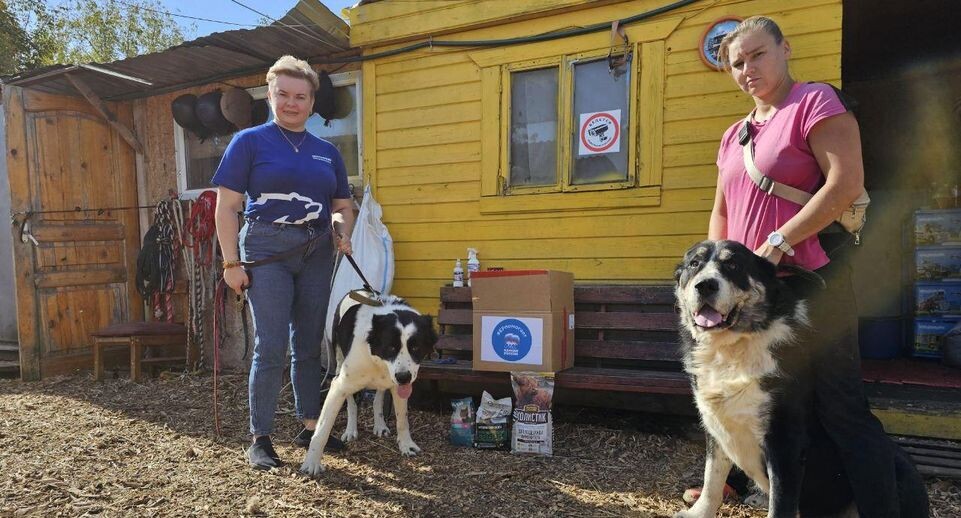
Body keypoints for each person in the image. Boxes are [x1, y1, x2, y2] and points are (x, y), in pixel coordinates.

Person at [695, 16, 901, 517]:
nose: (747, 69)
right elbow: (721, 215)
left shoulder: (813, 103)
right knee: (785, 413)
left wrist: (779, 240)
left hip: (813, 285)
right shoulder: (734, 135)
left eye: (758, 55)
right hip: (755, 302)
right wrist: (714, 274)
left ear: (785, 48)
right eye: (737, 63)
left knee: (841, 408)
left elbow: (845, 183)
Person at [213, 55, 355, 470]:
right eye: (283, 95)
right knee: (271, 343)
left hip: (316, 250)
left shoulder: (327, 153)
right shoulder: (250, 142)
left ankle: (311, 426)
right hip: (266, 248)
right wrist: (230, 263)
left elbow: (343, 205)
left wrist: (341, 230)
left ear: (312, 103)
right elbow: (226, 208)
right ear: (270, 96)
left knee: (309, 342)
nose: (292, 104)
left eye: (300, 96)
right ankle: (260, 437)